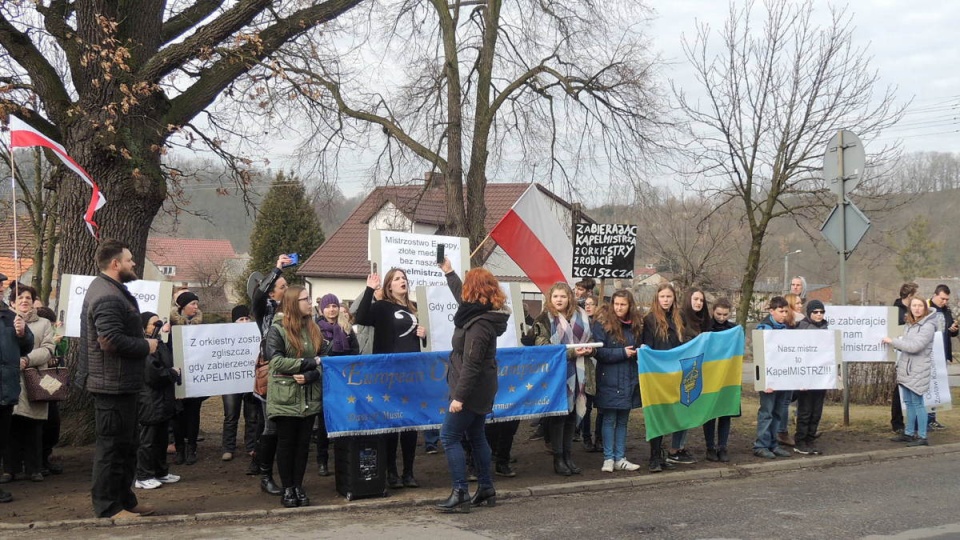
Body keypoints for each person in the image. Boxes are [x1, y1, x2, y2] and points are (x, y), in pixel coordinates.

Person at [80, 239, 159, 519]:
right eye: (129, 260)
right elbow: (110, 340)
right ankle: (108, 508)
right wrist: (145, 346)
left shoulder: (111, 289)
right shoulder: (107, 295)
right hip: (111, 386)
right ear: (116, 264)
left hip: (121, 383)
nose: (133, 263)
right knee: (111, 449)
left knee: (126, 447)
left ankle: (125, 500)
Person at [435, 260, 509, 512]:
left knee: (449, 436)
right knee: (476, 435)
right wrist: (449, 272)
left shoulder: (478, 325)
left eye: (467, 285)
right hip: (482, 386)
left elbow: (472, 364)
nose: (463, 289)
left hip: (471, 389)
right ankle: (486, 488)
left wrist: (459, 397)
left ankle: (460, 492)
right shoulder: (479, 312)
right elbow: (461, 298)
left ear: (474, 290)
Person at [355, 267, 427, 488]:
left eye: (404, 278)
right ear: (389, 286)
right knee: (392, 421)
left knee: (409, 424)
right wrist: (369, 289)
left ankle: (408, 472)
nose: (402, 281)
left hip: (411, 372)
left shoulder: (415, 308)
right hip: (389, 373)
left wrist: (424, 335)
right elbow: (361, 317)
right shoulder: (383, 307)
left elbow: (422, 342)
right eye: (397, 279)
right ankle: (391, 472)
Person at [264, 285, 325, 507]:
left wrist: (311, 375)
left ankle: (298, 486)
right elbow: (276, 361)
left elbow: (324, 360)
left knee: (303, 445)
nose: (310, 303)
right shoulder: (277, 330)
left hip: (309, 396)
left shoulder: (313, 329)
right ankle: (287, 488)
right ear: (292, 303)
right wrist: (308, 363)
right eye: (305, 299)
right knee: (286, 443)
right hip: (285, 396)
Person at [533, 282, 594, 477]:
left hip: (579, 372)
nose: (559, 300)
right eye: (556, 296)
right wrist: (571, 353)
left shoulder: (582, 316)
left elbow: (590, 338)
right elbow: (541, 346)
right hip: (556, 373)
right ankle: (558, 458)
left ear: (570, 298)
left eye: (563, 296)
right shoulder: (543, 319)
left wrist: (590, 348)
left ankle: (568, 456)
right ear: (550, 298)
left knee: (571, 415)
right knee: (559, 416)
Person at [2, 284, 55, 483]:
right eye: (20, 298)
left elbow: (48, 348)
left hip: (34, 382)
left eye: (28, 298)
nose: (24, 301)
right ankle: (10, 469)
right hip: (9, 383)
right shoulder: (5, 321)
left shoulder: (43, 324)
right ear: (12, 302)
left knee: (34, 428)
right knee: (10, 427)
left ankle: (34, 468)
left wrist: (26, 359)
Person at [250, 254, 292, 496]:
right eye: (282, 287)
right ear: (271, 292)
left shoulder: (292, 310)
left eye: (287, 286)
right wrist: (276, 269)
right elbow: (257, 294)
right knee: (271, 426)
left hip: (291, 369)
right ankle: (265, 475)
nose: (286, 289)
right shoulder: (264, 309)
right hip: (270, 371)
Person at [592, 290, 643, 473]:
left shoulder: (636, 325)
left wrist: (639, 351)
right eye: (617, 304)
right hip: (609, 378)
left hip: (628, 378)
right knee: (609, 419)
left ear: (629, 306)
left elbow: (639, 346)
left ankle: (620, 457)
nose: (619, 308)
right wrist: (622, 353)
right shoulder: (602, 324)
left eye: (623, 304)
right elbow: (598, 352)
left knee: (623, 420)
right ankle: (608, 458)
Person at [641, 282, 684, 472]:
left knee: (668, 414)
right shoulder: (650, 320)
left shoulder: (678, 319)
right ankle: (654, 456)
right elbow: (648, 346)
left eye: (669, 296)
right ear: (657, 299)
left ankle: (662, 453)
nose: (666, 300)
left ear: (674, 298)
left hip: (674, 373)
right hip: (656, 373)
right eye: (662, 297)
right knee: (656, 415)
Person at [135, 312, 182, 489]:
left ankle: (160, 471)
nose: (159, 326)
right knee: (148, 440)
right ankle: (143, 475)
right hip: (149, 400)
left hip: (163, 399)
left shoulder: (160, 344)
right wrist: (172, 373)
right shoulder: (144, 346)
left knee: (161, 438)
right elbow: (152, 374)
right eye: (154, 324)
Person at [883, 296, 937, 447]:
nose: (917, 308)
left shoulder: (928, 325)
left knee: (918, 403)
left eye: (920, 306)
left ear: (925, 308)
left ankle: (922, 436)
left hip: (918, 369)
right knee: (908, 402)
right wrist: (898, 343)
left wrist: (893, 341)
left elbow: (915, 346)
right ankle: (908, 432)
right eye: (914, 306)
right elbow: (906, 344)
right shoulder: (909, 324)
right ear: (910, 308)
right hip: (906, 368)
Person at [315, 293, 359, 475]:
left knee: (345, 419)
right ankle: (322, 461)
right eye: (328, 306)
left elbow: (356, 352)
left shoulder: (346, 327)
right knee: (324, 423)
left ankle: (344, 459)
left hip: (344, 381)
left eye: (334, 306)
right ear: (321, 309)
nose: (331, 310)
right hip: (324, 381)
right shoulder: (315, 329)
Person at [0, 280, 32, 503]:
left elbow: (27, 346)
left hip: (6, 388)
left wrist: (23, 335)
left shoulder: (10, 316)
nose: (1, 288)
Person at [752, 296, 793, 460]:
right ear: (771, 311)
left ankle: (773, 444)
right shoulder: (763, 328)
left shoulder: (786, 329)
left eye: (786, 311)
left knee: (778, 412)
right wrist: (765, 380)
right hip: (769, 379)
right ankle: (761, 445)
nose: (784, 314)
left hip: (783, 378)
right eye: (781, 311)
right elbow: (761, 357)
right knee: (767, 412)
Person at [221, 305, 263, 466]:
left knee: (252, 416)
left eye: (247, 318)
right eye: (241, 319)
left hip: (251, 382)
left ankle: (251, 445)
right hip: (230, 383)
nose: (245, 322)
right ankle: (228, 448)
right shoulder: (224, 338)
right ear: (234, 322)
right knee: (231, 415)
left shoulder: (256, 336)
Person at [170, 291, 204, 466]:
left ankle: (192, 448)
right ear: (182, 307)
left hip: (195, 375)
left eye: (197, 304)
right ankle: (180, 449)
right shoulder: (170, 326)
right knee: (178, 414)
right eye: (193, 304)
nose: (196, 308)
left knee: (193, 413)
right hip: (177, 376)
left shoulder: (201, 326)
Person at [703, 298, 737, 462]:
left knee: (725, 412)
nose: (722, 317)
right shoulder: (706, 328)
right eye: (718, 314)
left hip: (727, 376)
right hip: (709, 375)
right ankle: (710, 447)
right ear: (713, 311)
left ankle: (722, 447)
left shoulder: (733, 329)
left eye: (725, 314)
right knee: (710, 413)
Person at [793, 300, 829, 455]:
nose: (819, 314)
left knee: (816, 411)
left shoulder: (827, 328)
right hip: (806, 377)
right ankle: (800, 441)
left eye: (821, 312)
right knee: (805, 411)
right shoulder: (801, 328)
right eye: (816, 312)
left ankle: (810, 439)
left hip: (821, 376)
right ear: (809, 313)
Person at [36, 306, 66, 476]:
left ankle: (45, 457)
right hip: (36, 379)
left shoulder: (55, 333)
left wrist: (59, 340)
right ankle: (35, 461)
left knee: (52, 421)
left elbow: (63, 352)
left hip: (51, 381)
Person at [927, 284, 957, 431]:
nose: (944, 302)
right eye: (942, 299)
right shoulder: (926, 307)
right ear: (935, 294)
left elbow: (951, 330)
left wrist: (953, 329)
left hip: (942, 353)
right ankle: (924, 418)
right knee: (927, 386)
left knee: (937, 387)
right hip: (928, 353)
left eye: (946, 299)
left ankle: (933, 418)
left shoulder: (947, 310)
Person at [890, 282, 918, 435]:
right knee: (900, 388)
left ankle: (912, 421)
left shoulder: (913, 310)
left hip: (913, 353)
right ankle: (897, 422)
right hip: (901, 353)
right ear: (909, 296)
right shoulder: (896, 312)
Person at [579, 296, 602, 453]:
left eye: (591, 304)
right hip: (586, 370)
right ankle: (586, 437)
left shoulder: (601, 324)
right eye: (586, 304)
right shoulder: (581, 323)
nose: (588, 307)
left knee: (601, 407)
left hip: (599, 369)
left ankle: (599, 438)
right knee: (586, 407)